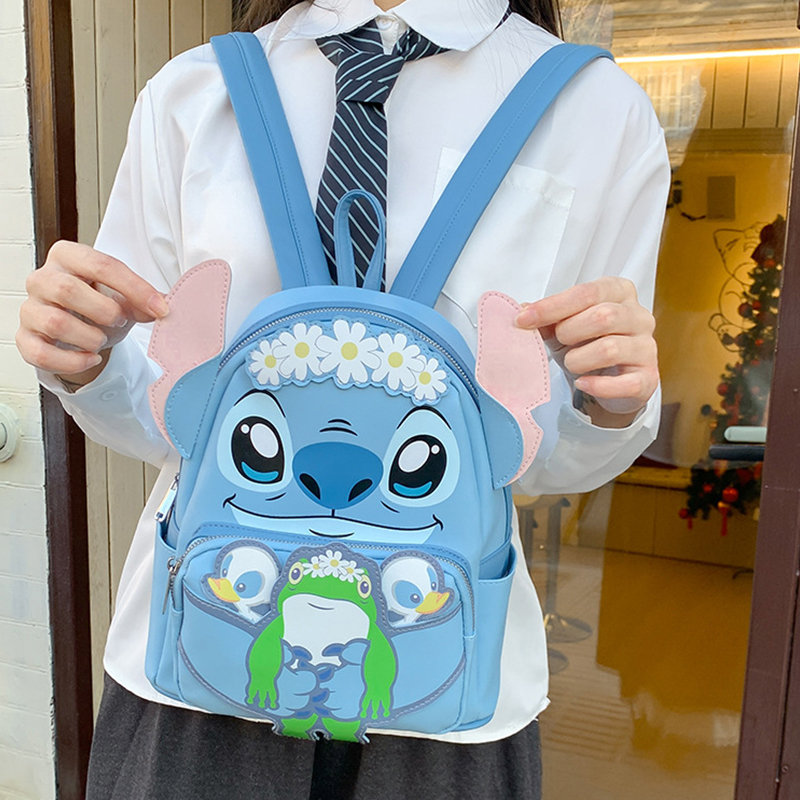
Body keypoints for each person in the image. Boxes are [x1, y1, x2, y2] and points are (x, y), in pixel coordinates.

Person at [16, 0, 669, 796]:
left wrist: (612, 403)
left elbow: (542, 456)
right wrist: (83, 358)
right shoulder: (194, 92)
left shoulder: (596, 111)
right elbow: (166, 413)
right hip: (207, 644)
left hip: (445, 669)